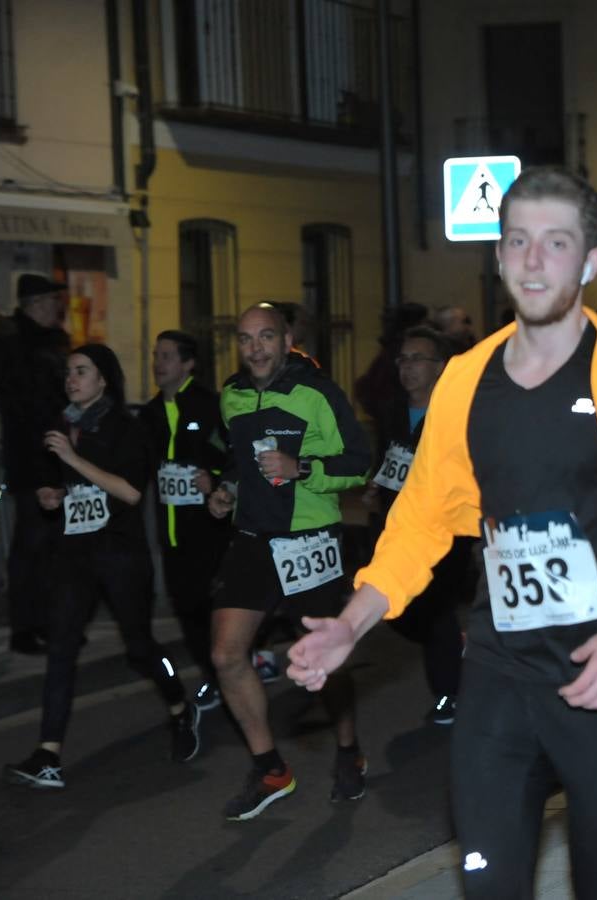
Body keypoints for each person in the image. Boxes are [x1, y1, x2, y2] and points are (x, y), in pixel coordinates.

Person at [287, 167, 597, 898]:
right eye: (519, 242)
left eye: (556, 243)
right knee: (489, 884)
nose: (534, 261)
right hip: (502, 674)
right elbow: (422, 518)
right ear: (499, 257)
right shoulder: (467, 381)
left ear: (591, 261)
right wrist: (353, 622)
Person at [205, 303, 373, 820]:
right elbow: (235, 457)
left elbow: (359, 464)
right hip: (253, 538)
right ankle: (270, 768)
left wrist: (302, 468)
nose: (255, 348)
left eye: (266, 337)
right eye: (245, 338)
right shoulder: (232, 395)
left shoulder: (317, 393)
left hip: (309, 540)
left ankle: (347, 750)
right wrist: (227, 490)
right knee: (226, 655)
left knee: (322, 656)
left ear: (286, 340)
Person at [5, 344, 197, 789]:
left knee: (141, 648)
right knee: (61, 649)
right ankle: (47, 753)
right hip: (74, 555)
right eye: (68, 372)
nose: (71, 380)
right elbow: (60, 484)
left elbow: (130, 492)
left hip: (120, 556)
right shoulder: (62, 426)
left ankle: (177, 701)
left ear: (103, 379)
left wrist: (73, 461)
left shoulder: (126, 428)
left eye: (81, 371)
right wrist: (52, 494)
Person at [367, 325, 472, 723]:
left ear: (440, 367)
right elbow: (391, 459)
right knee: (403, 613)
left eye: (418, 359)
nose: (408, 368)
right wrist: (378, 486)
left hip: (446, 531)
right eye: (403, 359)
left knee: (433, 609)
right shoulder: (393, 412)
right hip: (399, 527)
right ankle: (453, 647)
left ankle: (449, 694)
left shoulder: (454, 415)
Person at [0, 273, 71, 655]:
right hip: (31, 457)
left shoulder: (49, 342)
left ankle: (48, 622)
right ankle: (26, 626)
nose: (57, 308)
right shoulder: (14, 344)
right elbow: (27, 401)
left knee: (53, 546)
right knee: (32, 544)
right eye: (51, 301)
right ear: (34, 304)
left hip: (54, 454)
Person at [142, 331, 232, 710]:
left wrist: (212, 475)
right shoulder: (148, 414)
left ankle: (230, 670)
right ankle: (215, 677)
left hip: (208, 530)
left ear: (187, 363)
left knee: (211, 608)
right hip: (171, 534)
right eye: (156, 356)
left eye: (166, 356)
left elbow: (232, 455)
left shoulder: (209, 406)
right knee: (186, 610)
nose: (158, 364)